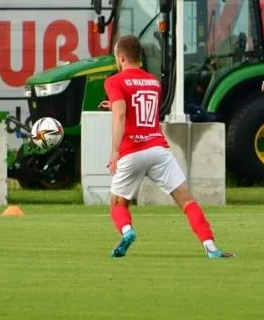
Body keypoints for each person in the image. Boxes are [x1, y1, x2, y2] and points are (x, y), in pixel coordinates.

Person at [98, 34, 234, 258]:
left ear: (121, 58)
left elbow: (121, 113)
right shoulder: (154, 82)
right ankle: (211, 248)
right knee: (187, 201)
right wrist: (114, 104)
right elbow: (139, 105)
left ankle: (127, 231)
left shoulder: (114, 81)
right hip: (158, 149)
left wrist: (114, 151)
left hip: (132, 151)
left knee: (117, 203)